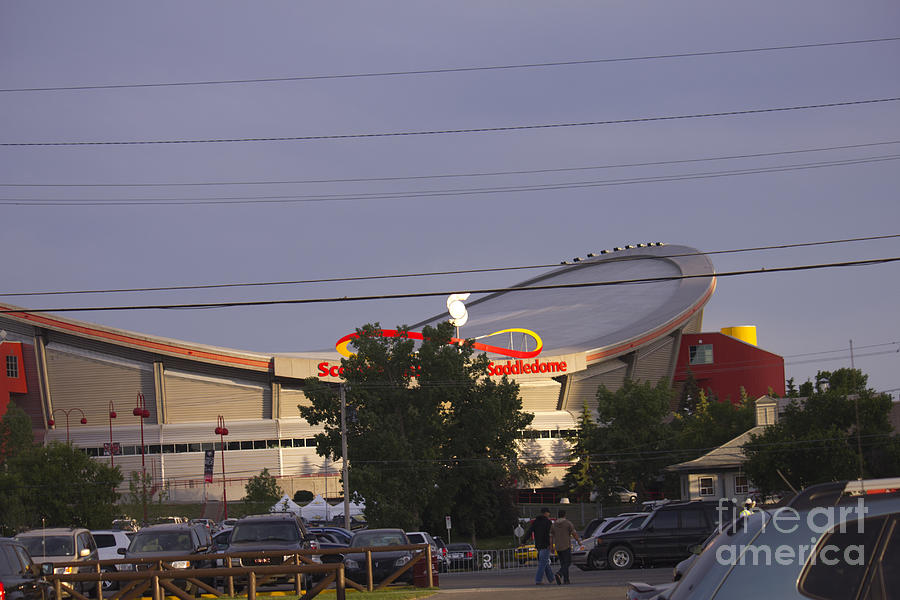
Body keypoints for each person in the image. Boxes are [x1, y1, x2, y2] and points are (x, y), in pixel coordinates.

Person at [522, 507, 554, 585]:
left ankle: (551, 579)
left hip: (538, 545)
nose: (549, 514)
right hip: (545, 545)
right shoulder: (548, 522)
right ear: (546, 513)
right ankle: (538, 580)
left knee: (545, 562)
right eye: (548, 513)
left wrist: (524, 541)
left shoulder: (536, 521)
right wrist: (551, 545)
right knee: (542, 564)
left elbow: (529, 531)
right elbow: (550, 535)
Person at [550, 509, 582, 584]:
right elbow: (574, 533)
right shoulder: (568, 523)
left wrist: (551, 546)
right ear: (565, 515)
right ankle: (559, 573)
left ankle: (566, 580)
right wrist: (579, 541)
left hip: (558, 546)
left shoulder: (553, 524)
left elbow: (550, 537)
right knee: (567, 562)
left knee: (563, 563)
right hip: (566, 545)